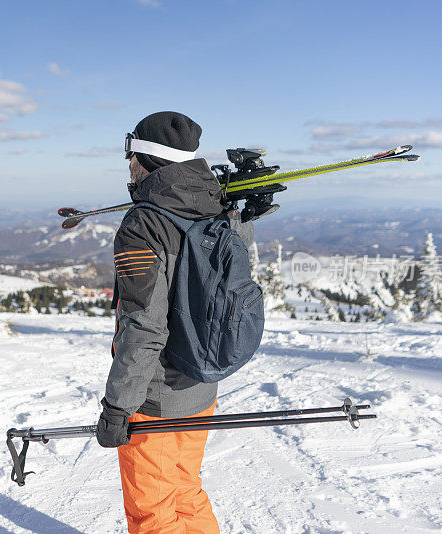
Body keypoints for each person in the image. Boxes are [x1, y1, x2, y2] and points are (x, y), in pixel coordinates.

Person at [96, 111, 254, 533]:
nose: (128, 167)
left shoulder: (143, 226)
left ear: (146, 160)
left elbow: (144, 327)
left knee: (153, 512)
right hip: (202, 385)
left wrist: (118, 406)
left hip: (157, 399)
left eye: (131, 157)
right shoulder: (213, 203)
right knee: (185, 490)